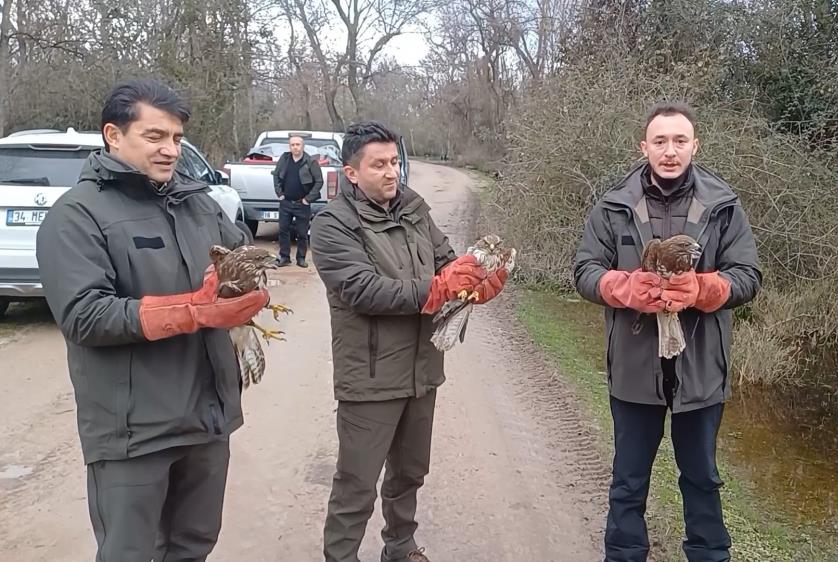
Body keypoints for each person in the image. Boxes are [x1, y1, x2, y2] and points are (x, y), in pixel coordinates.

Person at [35, 78, 269, 562]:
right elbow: (85, 315)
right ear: (113, 135)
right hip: (133, 431)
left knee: (193, 545)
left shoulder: (195, 201)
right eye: (155, 136)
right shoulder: (77, 215)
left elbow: (240, 251)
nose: (170, 150)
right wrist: (193, 310)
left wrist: (246, 285)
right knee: (130, 553)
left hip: (206, 418)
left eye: (177, 139)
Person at [573, 101, 762, 562]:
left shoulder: (723, 205)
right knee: (628, 481)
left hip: (700, 371)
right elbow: (583, 270)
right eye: (660, 141)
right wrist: (624, 287)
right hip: (635, 370)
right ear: (644, 147)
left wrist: (703, 288)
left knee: (701, 479)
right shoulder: (613, 205)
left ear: (695, 145)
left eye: (680, 141)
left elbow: (748, 276)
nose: (670, 151)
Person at [311, 121, 508, 562]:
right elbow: (361, 289)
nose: (390, 172)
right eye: (378, 164)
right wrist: (437, 290)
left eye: (395, 162)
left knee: (410, 472)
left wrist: (475, 282)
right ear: (352, 172)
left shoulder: (414, 209)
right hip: (371, 375)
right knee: (356, 482)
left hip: (421, 368)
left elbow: (447, 262)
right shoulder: (332, 225)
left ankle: (400, 547)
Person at [273, 135, 324, 268]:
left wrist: (308, 199)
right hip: (286, 202)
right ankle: (284, 257)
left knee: (302, 233)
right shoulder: (284, 159)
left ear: (303, 146)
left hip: (302, 203)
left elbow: (319, 181)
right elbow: (276, 176)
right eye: (292, 145)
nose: (295, 147)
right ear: (289, 146)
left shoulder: (310, 162)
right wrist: (279, 194)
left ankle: (301, 258)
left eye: (298, 144)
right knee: (283, 230)